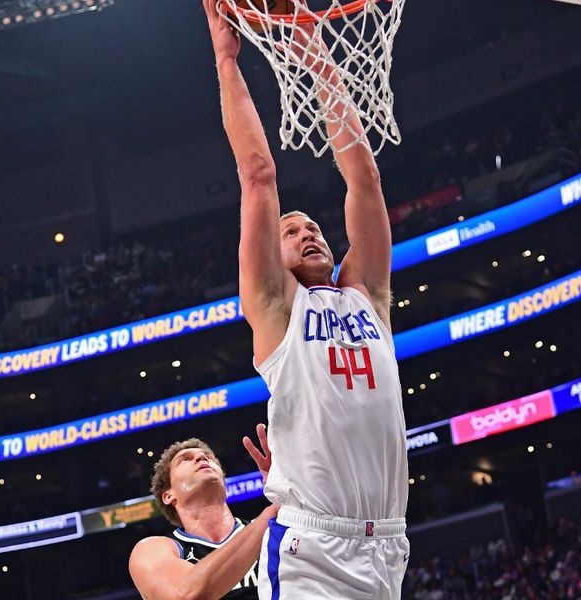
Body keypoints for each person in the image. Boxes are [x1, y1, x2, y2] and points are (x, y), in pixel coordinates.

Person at [202, 0, 410, 597]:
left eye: (313, 226)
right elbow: (259, 173)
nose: (308, 231)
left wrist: (312, 50)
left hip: (388, 541)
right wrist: (226, 59)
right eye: (290, 231)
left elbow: (363, 180)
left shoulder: (365, 294)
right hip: (311, 547)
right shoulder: (276, 308)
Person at [129, 435, 276, 600]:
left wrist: (291, 496)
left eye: (209, 457)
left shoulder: (273, 528)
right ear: (168, 495)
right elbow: (183, 595)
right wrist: (272, 513)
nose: (201, 457)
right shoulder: (152, 550)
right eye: (185, 460)